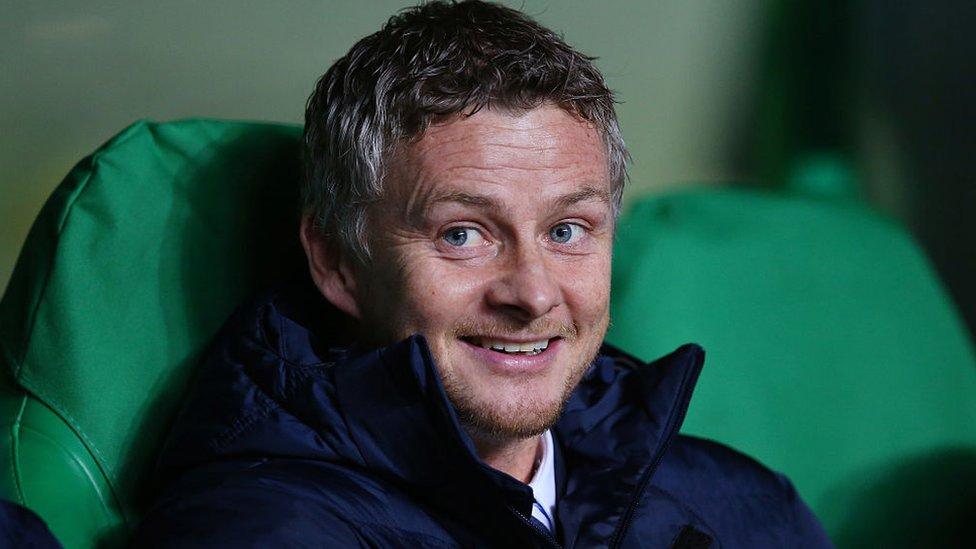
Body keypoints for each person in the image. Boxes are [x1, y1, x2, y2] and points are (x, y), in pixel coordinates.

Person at [132, 1, 831, 547]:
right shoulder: (261, 529)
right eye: (463, 234)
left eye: (566, 230)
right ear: (338, 262)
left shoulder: (743, 506)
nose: (531, 293)